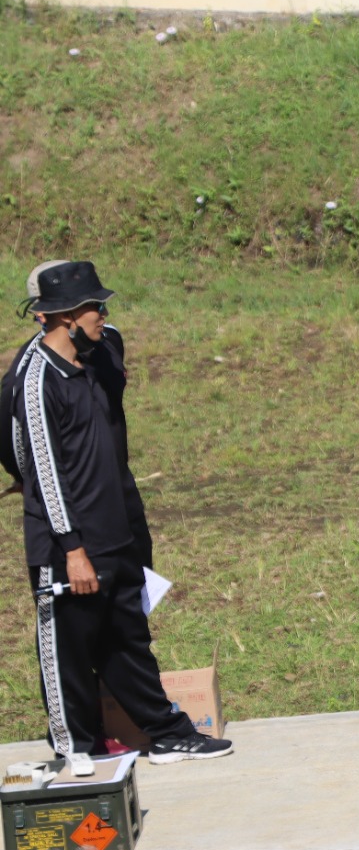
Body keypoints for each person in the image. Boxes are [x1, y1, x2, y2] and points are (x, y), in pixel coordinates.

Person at [12, 260, 232, 768]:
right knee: (69, 648)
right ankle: (74, 750)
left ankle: (168, 733)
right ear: (66, 316)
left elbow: (108, 337)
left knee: (128, 637)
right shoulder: (37, 380)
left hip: (114, 530)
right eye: (96, 308)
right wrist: (73, 552)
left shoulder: (97, 354)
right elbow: (43, 472)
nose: (105, 317)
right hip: (69, 546)